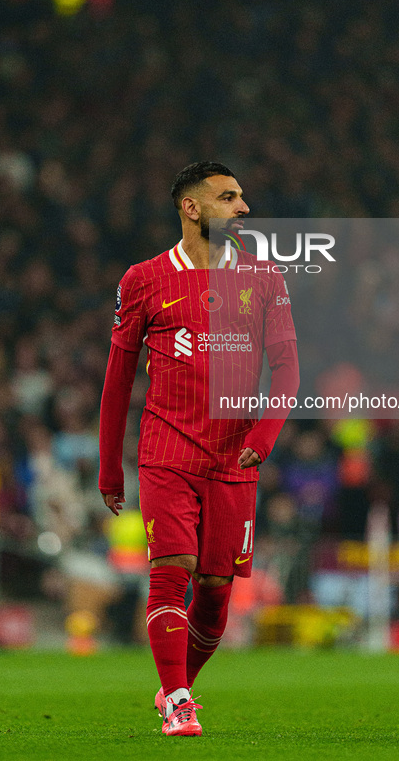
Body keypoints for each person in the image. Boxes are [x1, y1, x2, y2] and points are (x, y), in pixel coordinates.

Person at [99, 161, 299, 736]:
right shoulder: (143, 279)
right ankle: (181, 703)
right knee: (172, 571)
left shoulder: (265, 278)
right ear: (191, 208)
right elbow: (118, 378)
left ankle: (172, 689)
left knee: (214, 595)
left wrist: (263, 437)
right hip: (166, 451)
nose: (243, 208)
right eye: (229, 197)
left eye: (241, 197)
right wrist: (110, 468)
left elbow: (287, 372)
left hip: (236, 460)